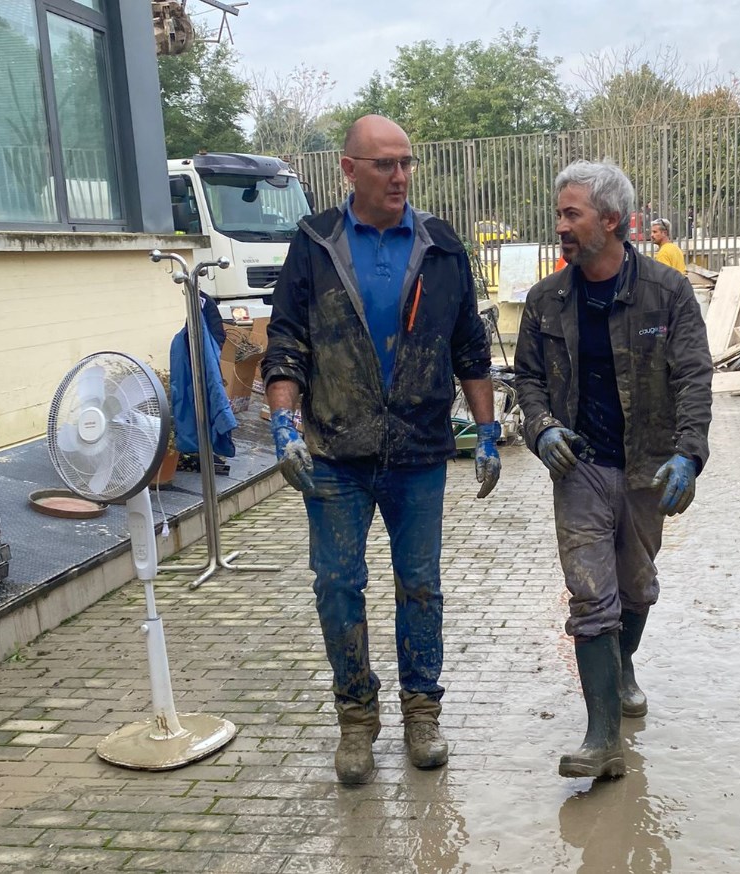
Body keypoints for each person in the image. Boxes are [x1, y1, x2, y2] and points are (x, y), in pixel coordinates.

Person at [261, 114, 502, 785]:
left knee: (419, 586)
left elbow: (470, 349)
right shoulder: (314, 244)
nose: (399, 176)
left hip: (419, 451)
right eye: (383, 164)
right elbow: (286, 345)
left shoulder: (441, 245)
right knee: (338, 584)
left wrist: (485, 431)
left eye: (406, 163)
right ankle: (356, 720)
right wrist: (284, 424)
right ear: (348, 170)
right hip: (336, 450)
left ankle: (421, 711)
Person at [515, 160, 713, 780]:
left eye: (571, 214)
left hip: (647, 470)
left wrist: (690, 452)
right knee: (590, 597)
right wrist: (541, 427)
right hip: (581, 470)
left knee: (636, 587)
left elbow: (694, 375)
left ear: (612, 221)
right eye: (559, 213)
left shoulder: (665, 290)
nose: (560, 226)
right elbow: (526, 380)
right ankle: (603, 737)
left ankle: (623, 665)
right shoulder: (547, 299)